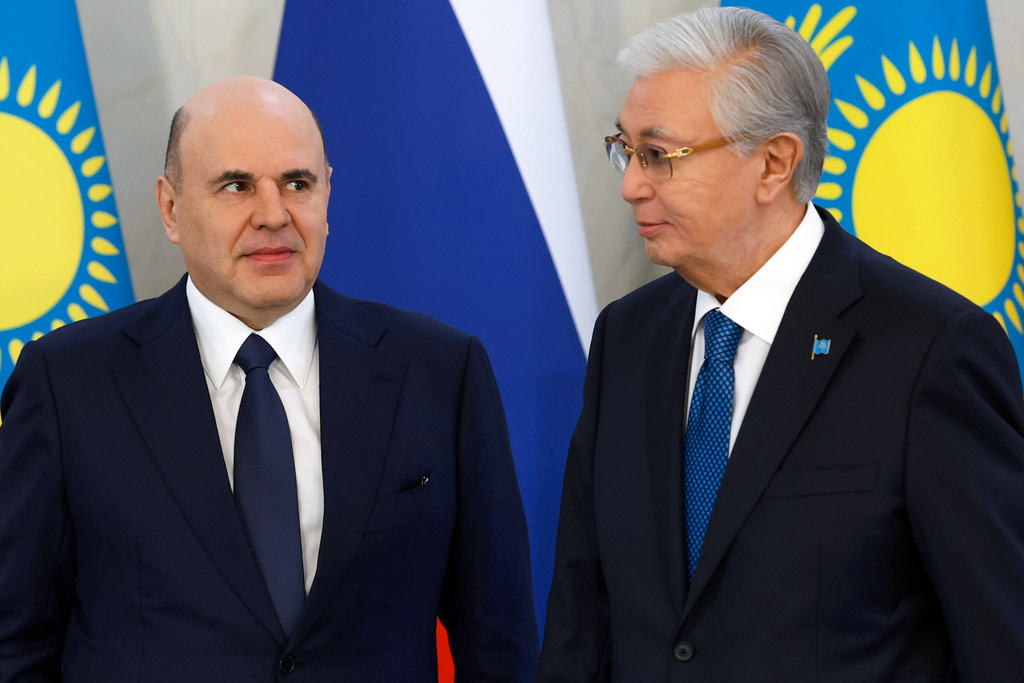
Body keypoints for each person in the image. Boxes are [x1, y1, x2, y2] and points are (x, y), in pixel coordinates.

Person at [537, 7, 1024, 681]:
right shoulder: (628, 335)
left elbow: (1000, 637)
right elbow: (581, 618)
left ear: (773, 163)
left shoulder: (931, 349)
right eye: (624, 148)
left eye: (659, 155)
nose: (630, 185)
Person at [0, 75, 538, 681]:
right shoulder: (67, 383)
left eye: (297, 184)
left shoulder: (439, 370)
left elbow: (499, 640)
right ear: (171, 209)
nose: (274, 215)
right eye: (236, 186)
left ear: (327, 194)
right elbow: (14, 641)